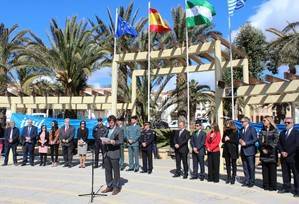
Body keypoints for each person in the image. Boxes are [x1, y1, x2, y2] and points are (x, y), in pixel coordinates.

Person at [101, 115, 124, 195]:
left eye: (111, 122)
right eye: (109, 122)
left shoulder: (119, 130)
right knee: (107, 171)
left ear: (115, 122)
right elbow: (104, 137)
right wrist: (103, 141)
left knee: (116, 171)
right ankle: (109, 186)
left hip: (114, 153)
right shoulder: (107, 129)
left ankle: (116, 187)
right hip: (107, 153)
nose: (110, 124)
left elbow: (121, 141)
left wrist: (114, 142)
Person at [277, 117, 299, 197]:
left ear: (292, 123)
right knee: (285, 174)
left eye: (288, 122)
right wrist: (282, 151)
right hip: (284, 157)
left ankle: (297, 190)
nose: (286, 124)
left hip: (293, 157)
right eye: (285, 122)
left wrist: (288, 153)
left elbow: (297, 145)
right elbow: (279, 143)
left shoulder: (296, 133)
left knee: (296, 174)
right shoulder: (282, 132)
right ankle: (286, 187)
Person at [259, 116, 279, 191]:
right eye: (263, 120)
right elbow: (260, 141)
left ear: (269, 121)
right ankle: (266, 185)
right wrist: (263, 149)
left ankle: (273, 186)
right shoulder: (262, 130)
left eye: (264, 120)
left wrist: (269, 149)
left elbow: (276, 140)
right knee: (265, 170)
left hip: (272, 153)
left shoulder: (275, 130)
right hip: (263, 152)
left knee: (272, 170)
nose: (263, 122)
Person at [239, 116, 258, 188]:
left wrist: (246, 143)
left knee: (251, 167)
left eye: (242, 122)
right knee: (245, 167)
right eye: (241, 122)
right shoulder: (241, 129)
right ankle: (246, 180)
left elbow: (255, 139)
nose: (241, 123)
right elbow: (239, 138)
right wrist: (240, 140)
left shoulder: (252, 129)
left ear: (247, 122)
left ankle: (251, 181)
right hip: (243, 151)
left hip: (250, 151)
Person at [222, 120, 239, 184]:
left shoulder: (235, 131)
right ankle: (228, 177)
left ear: (231, 124)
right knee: (227, 164)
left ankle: (233, 177)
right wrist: (225, 139)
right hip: (226, 149)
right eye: (226, 123)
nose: (227, 124)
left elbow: (236, 141)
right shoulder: (225, 131)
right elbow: (222, 140)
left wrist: (229, 139)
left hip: (233, 149)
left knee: (234, 164)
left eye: (228, 123)